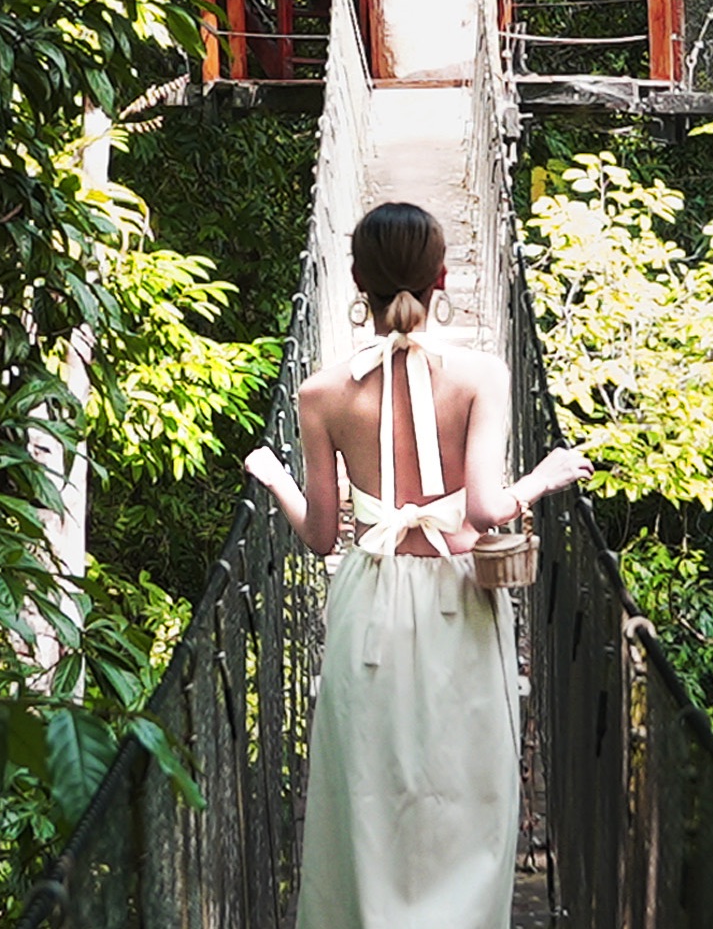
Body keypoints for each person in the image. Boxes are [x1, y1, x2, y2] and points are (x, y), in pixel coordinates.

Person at [244, 201, 590, 929]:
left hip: (368, 604)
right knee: (468, 789)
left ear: (354, 280)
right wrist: (549, 475)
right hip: (458, 602)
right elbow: (491, 510)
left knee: (365, 789)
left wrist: (274, 478)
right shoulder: (480, 375)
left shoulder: (321, 394)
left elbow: (321, 535)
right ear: (441, 276)